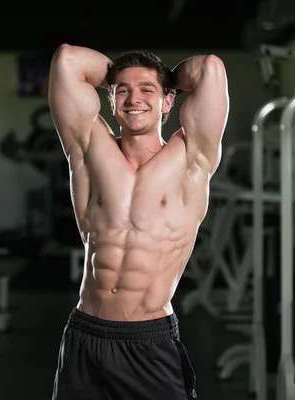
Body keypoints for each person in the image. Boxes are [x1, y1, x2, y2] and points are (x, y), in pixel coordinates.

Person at [48, 44, 229, 400]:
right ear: (111, 99)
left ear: (167, 102)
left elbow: (209, 68)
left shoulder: (191, 157)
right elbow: (68, 59)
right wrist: (128, 78)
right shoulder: (89, 149)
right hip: (86, 334)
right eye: (123, 91)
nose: (134, 98)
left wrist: (163, 79)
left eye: (147, 90)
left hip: (149, 341)